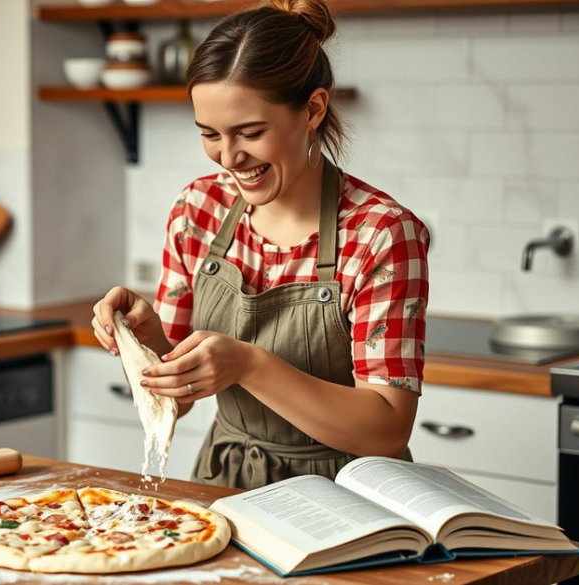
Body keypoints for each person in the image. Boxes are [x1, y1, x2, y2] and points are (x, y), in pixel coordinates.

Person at [91, 0, 430, 491]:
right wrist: (145, 344)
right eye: (209, 134)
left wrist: (248, 364)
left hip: (351, 499)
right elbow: (180, 399)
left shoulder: (380, 232)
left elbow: (386, 428)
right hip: (224, 483)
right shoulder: (197, 210)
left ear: (313, 109)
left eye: (250, 133)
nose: (229, 157)